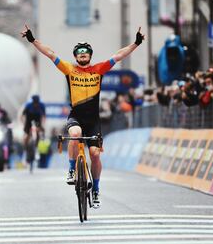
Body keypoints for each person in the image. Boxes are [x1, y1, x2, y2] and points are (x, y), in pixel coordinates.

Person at [20, 24, 145, 208]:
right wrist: (32, 40)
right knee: (75, 134)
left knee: (95, 155)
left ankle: (95, 189)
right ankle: (71, 170)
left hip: (94, 121)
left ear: (90, 55)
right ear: (76, 56)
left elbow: (118, 55)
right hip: (76, 116)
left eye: (86, 52)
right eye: (79, 52)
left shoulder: (99, 69)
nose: (83, 54)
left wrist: (136, 43)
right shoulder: (69, 70)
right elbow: (50, 54)